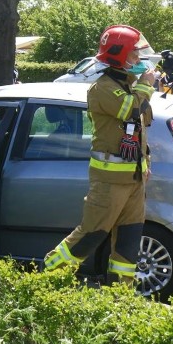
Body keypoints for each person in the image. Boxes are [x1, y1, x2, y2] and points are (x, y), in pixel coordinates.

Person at [43, 25, 156, 285]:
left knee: (128, 242)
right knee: (91, 235)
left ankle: (120, 297)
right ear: (120, 56)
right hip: (109, 181)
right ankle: (46, 278)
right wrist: (146, 86)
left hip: (134, 181)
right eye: (134, 56)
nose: (139, 61)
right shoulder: (103, 89)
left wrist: (145, 162)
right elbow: (130, 111)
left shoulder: (130, 86)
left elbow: (140, 126)